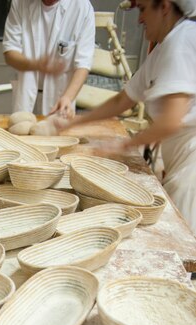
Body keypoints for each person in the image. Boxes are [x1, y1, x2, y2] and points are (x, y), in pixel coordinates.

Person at [51, 0, 196, 234]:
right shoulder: (164, 47)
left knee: (182, 244)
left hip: (192, 168)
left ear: (165, 7)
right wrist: (75, 121)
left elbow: (170, 121)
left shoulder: (180, 43)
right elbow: (123, 100)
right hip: (182, 156)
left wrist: (122, 145)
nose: (139, 19)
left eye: (143, 10)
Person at [2, 0, 95, 117]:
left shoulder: (81, 7)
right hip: (25, 94)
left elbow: (83, 63)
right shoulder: (20, 2)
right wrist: (34, 65)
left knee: (56, 134)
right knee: (21, 130)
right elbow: (10, 53)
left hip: (60, 98)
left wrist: (68, 97)